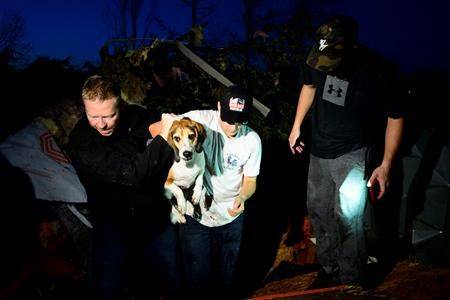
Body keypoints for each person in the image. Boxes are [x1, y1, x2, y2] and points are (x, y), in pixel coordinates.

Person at [288, 15, 405, 287]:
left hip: (353, 152)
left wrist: (386, 164)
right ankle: (328, 270)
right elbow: (309, 85)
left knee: (348, 215)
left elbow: (396, 117)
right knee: (319, 212)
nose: (326, 65)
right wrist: (296, 126)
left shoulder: (378, 69)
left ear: (351, 46)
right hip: (318, 151)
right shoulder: (318, 55)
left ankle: (351, 278)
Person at [67, 75, 179, 299]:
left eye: (110, 115)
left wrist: (166, 125)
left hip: (154, 218)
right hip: (112, 227)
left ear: (121, 105)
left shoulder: (135, 115)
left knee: (171, 279)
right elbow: (133, 173)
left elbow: (156, 123)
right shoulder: (81, 141)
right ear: (84, 109)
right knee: (111, 288)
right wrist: (164, 138)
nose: (102, 124)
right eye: (93, 116)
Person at [176, 85, 262, 298]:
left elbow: (250, 180)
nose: (233, 127)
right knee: (197, 276)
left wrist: (243, 196)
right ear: (218, 108)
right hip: (195, 213)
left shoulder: (252, 140)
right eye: (228, 119)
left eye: (239, 121)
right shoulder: (201, 119)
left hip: (230, 215)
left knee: (226, 277)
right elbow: (159, 126)